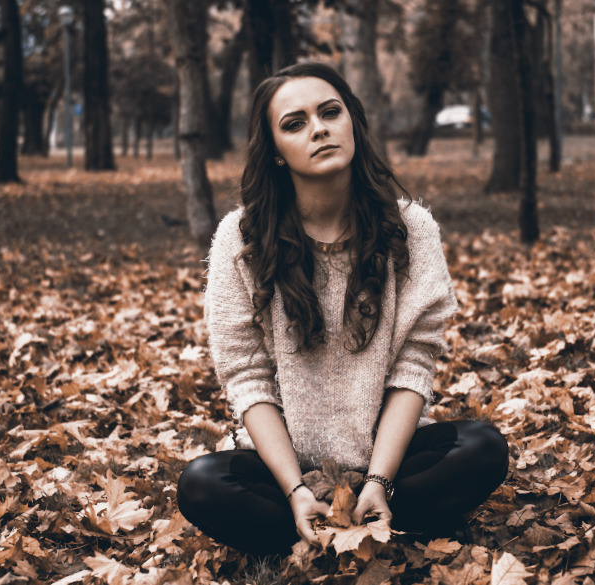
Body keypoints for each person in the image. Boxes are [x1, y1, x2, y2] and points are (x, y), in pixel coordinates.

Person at [177, 62, 508, 556]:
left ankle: (372, 513)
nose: (319, 128)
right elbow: (247, 379)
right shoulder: (240, 239)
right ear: (276, 154)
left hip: (393, 463)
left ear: (352, 122)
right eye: (295, 123)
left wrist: (378, 479)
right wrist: (296, 490)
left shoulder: (411, 229)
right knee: (201, 484)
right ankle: (333, 524)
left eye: (330, 112)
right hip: (284, 471)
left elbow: (413, 367)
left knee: (483, 447)